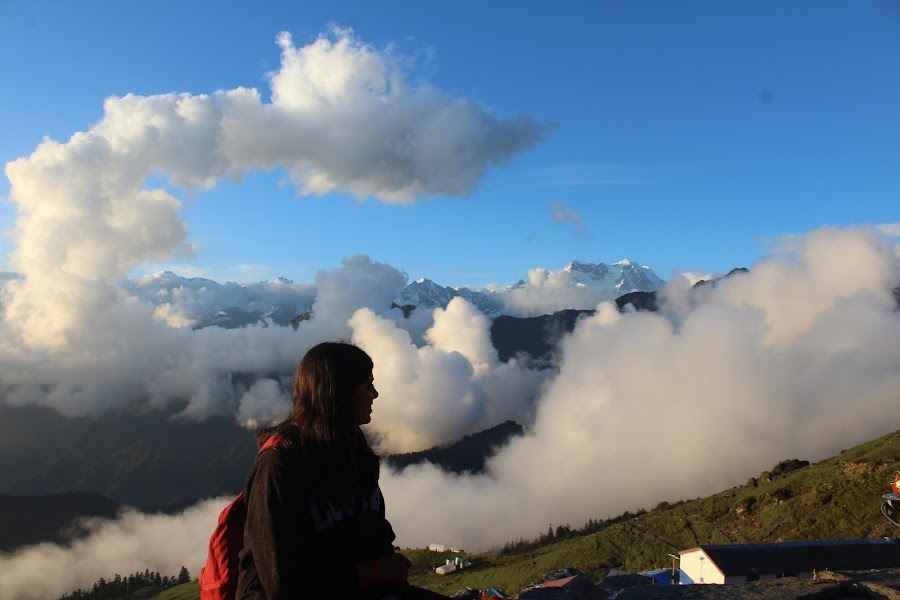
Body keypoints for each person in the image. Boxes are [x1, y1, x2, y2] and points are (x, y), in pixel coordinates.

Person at [235, 341, 450, 600]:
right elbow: (282, 584)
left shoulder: (351, 447)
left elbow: (371, 527)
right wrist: (370, 573)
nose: (375, 394)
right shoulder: (278, 466)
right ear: (341, 393)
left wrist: (387, 562)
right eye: (367, 385)